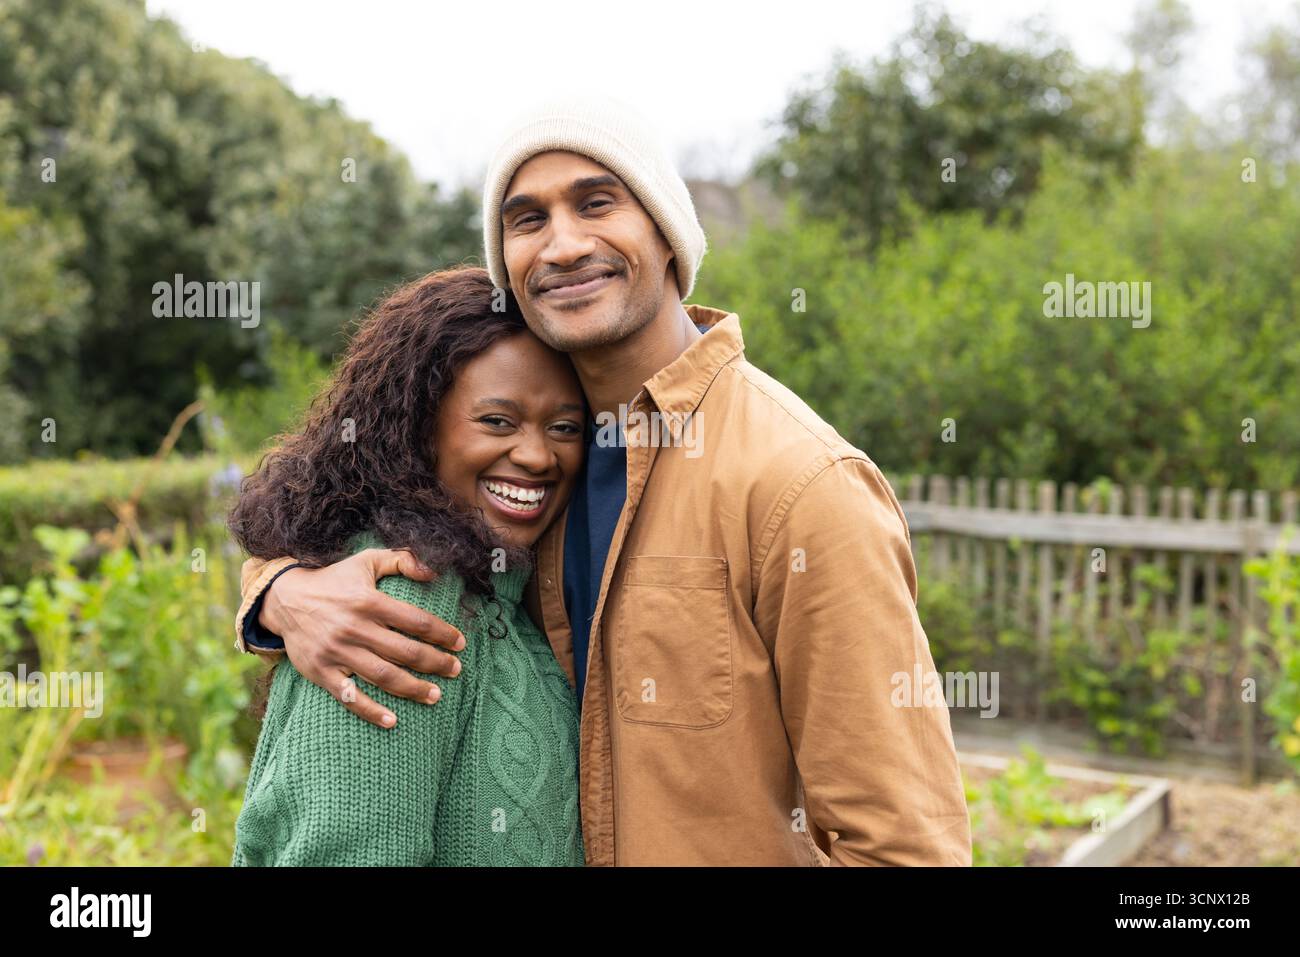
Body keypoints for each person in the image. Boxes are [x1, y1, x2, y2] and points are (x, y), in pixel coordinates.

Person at [235, 96, 972, 866]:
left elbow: (905, 845)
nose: (562, 244)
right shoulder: (544, 471)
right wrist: (278, 588)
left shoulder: (799, 482)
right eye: (526, 219)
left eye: (597, 202)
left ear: (667, 234)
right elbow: (360, 503)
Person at [229, 267, 586, 866]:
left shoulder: (508, 586)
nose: (536, 455)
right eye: (497, 421)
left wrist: (272, 589)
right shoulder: (402, 596)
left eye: (565, 427)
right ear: (418, 429)